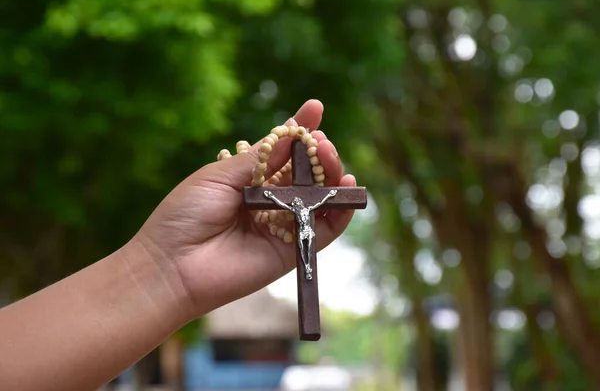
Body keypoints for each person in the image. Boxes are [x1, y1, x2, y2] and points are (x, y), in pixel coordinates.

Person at [0, 100, 357, 391]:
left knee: (307, 258)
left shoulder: (309, 202)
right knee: (306, 258)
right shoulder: (281, 200)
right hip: (277, 220)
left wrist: (166, 272)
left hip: (298, 232)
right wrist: (165, 268)